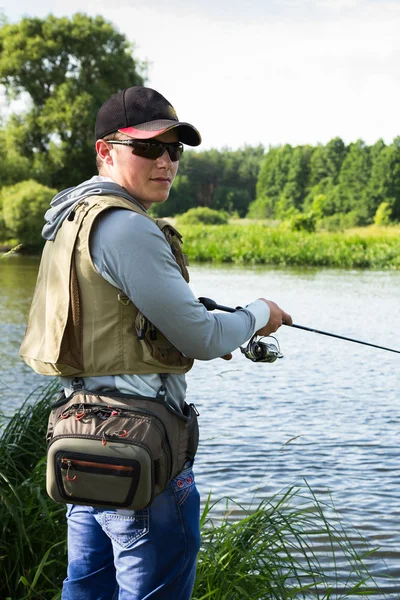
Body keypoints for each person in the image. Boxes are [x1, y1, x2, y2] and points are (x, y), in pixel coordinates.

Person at [20, 86, 292, 600]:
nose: (165, 161)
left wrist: (185, 324)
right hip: (139, 451)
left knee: (85, 590)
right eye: (148, 147)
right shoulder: (126, 227)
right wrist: (260, 313)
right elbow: (207, 337)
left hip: (83, 436)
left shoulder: (70, 219)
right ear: (106, 151)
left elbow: (112, 323)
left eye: (174, 150)